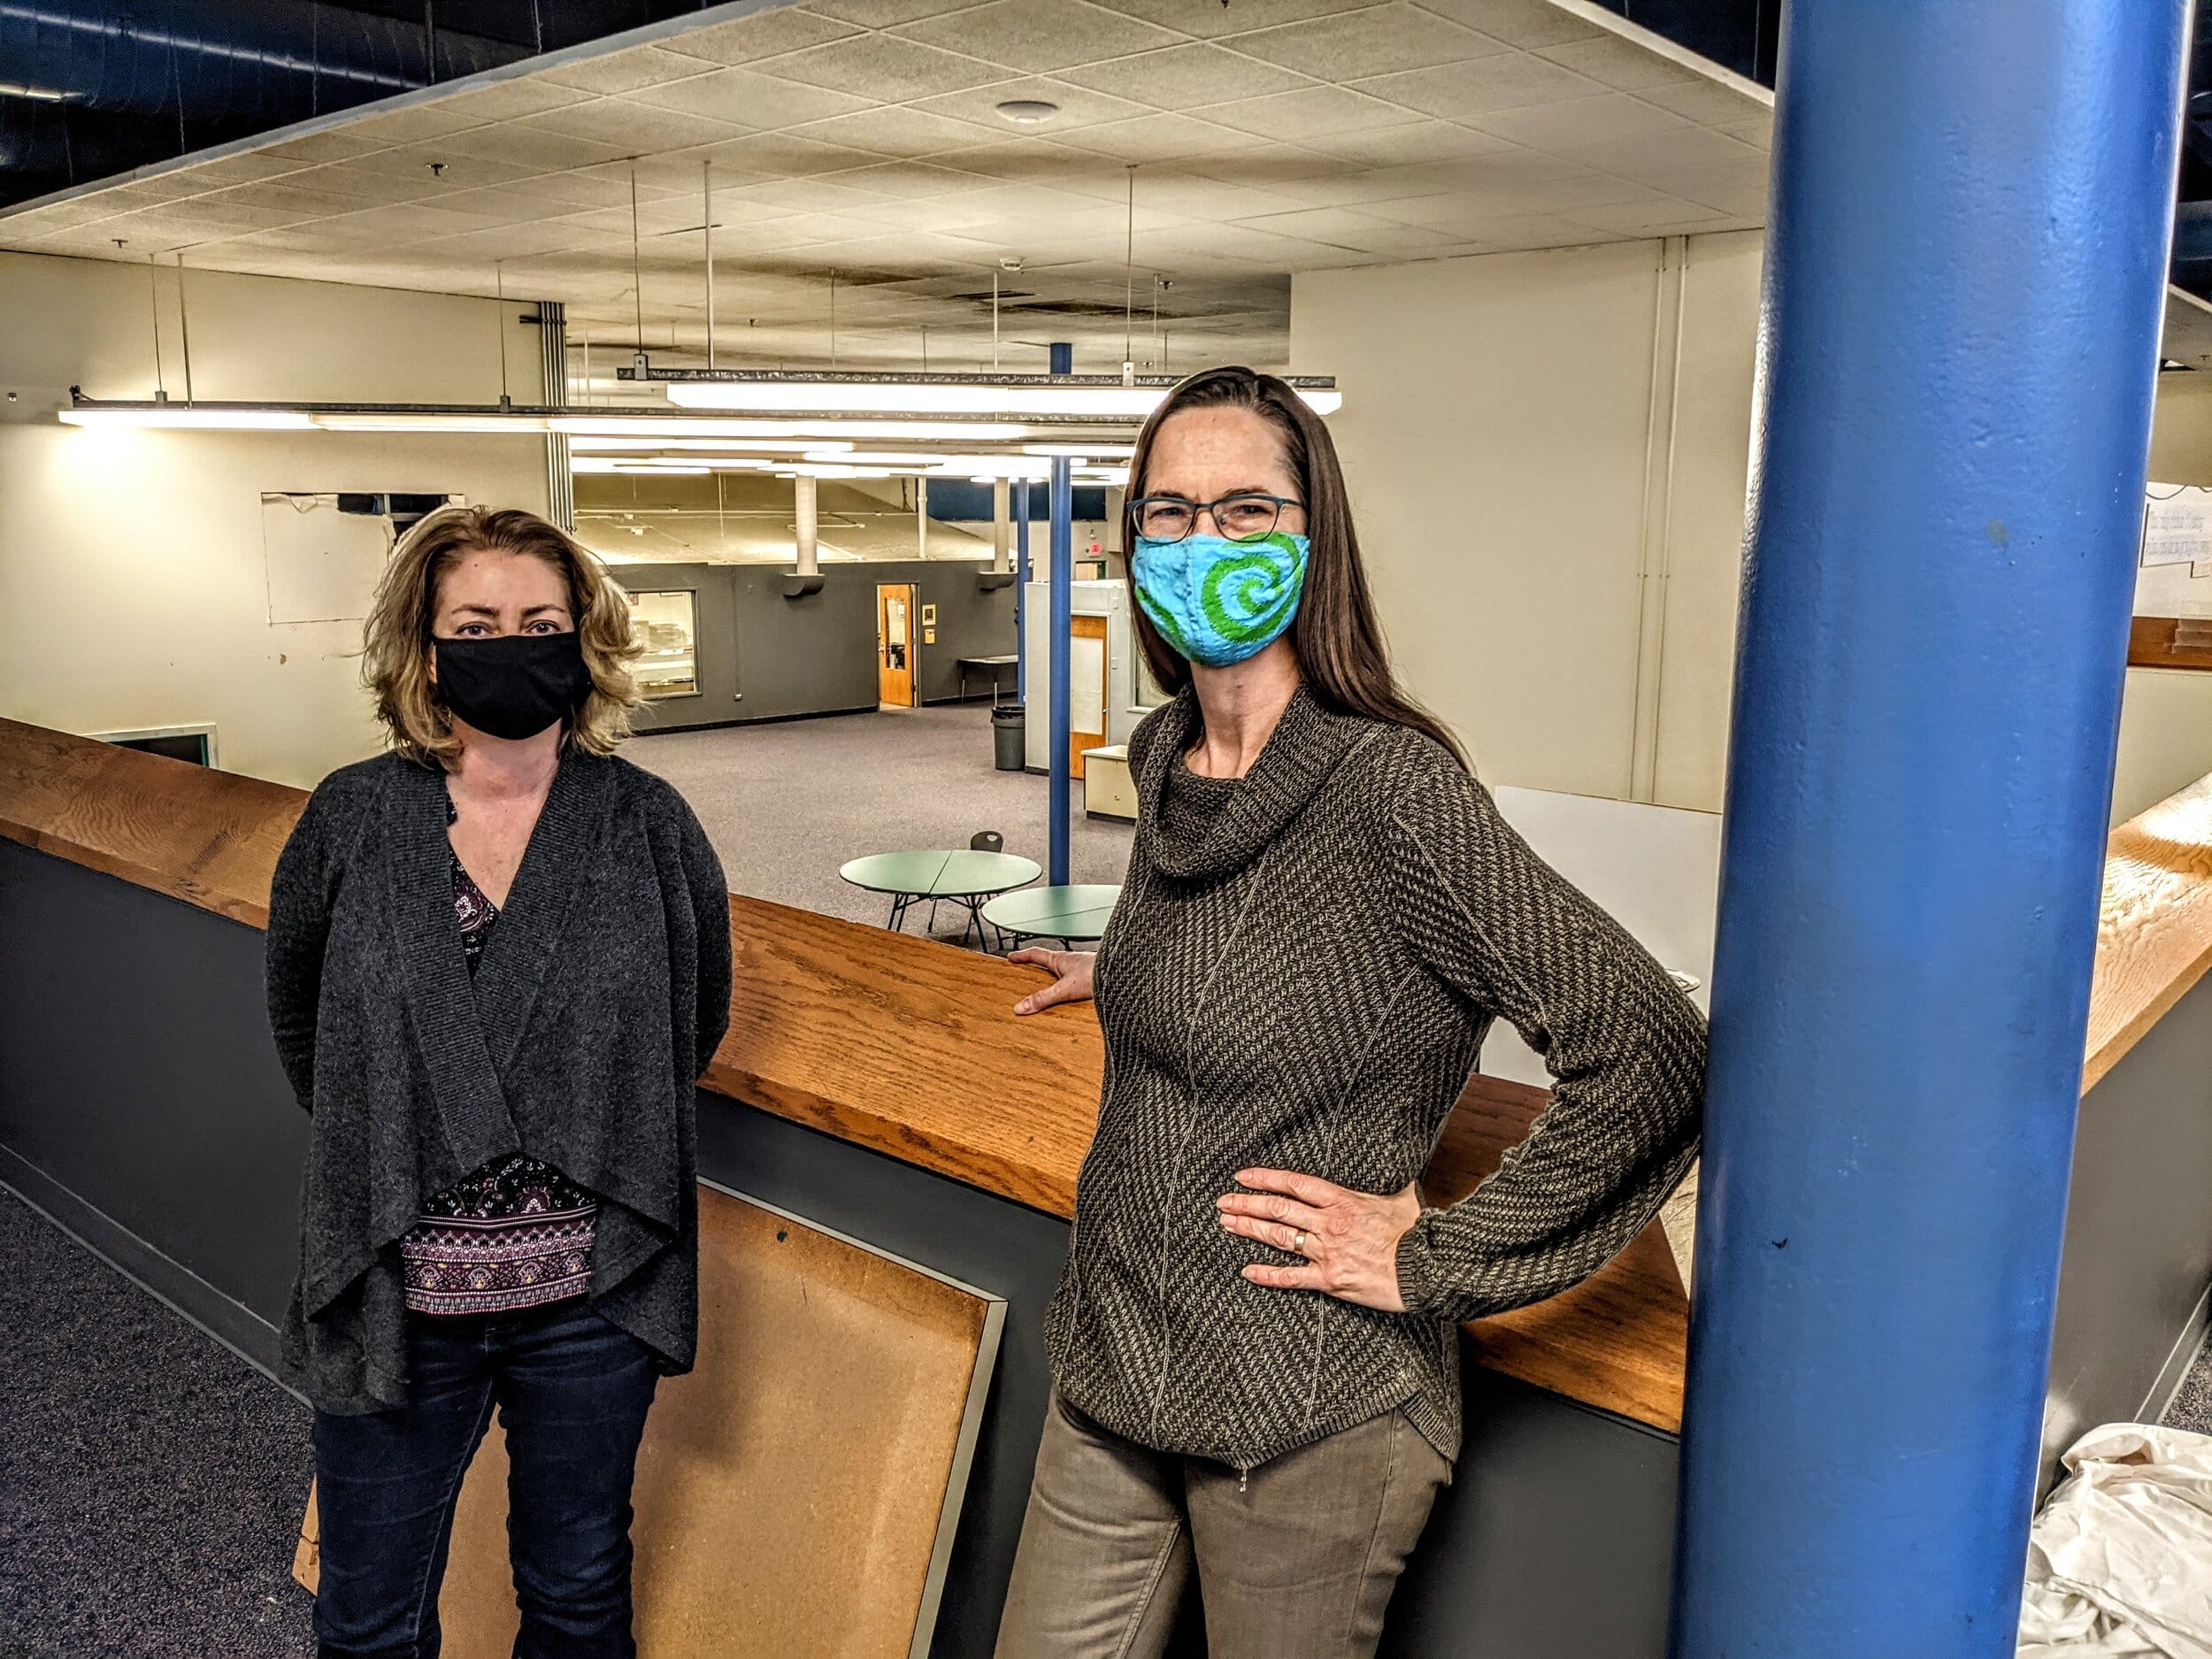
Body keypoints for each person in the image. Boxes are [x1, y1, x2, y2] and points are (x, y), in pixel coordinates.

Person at [995, 366, 1706, 1658]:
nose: (1202, 542)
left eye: (1246, 511)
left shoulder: (1394, 794)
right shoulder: (1166, 757)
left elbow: (1649, 1050)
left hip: (1307, 1399)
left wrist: (1436, 1255)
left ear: (1311, 543)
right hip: (1117, 1348)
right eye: (1169, 513)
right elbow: (1248, 942)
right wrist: (1140, 961)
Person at [265, 506, 733, 1659]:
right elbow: (303, 1021)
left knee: (577, 1597)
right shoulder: (350, 821)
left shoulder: (648, 827)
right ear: (426, 652)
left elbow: (693, 1020)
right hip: (398, 1285)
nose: (510, 644)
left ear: (583, 644)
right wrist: (420, 1141)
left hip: (588, 1302)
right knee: (369, 1617)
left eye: (541, 623)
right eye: (476, 624)